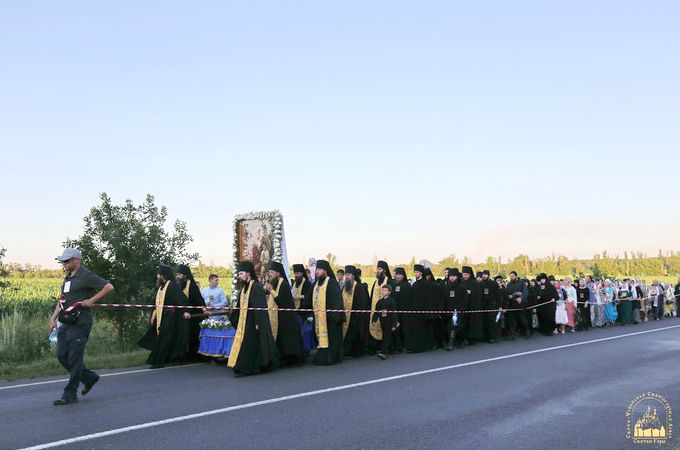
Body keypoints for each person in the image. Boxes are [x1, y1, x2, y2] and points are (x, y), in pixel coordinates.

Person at [50, 248, 114, 405]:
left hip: (80, 322)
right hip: (66, 322)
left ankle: (70, 394)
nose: (63, 264)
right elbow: (62, 300)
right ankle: (89, 377)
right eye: (62, 261)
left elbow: (108, 287)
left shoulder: (86, 275)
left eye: (66, 261)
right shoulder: (68, 278)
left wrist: (92, 300)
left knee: (74, 357)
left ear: (76, 260)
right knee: (62, 356)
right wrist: (53, 318)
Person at [228, 261, 279, 377]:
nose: (239, 276)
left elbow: (260, 306)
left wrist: (258, 322)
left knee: (249, 345)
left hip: (253, 321)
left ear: (248, 273)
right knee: (251, 345)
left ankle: (243, 368)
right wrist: (232, 316)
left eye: (241, 274)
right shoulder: (244, 288)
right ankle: (254, 366)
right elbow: (239, 305)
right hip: (244, 321)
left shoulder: (255, 286)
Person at [139, 264, 190, 370]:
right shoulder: (161, 286)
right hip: (161, 316)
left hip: (169, 317)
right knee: (160, 338)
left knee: (164, 339)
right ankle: (161, 359)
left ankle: (159, 362)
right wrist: (154, 314)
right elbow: (156, 302)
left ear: (164, 275)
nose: (157, 277)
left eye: (159, 275)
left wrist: (185, 311)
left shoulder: (171, 286)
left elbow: (182, 300)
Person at [301, 260, 346, 365]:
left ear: (325, 271)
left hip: (330, 318)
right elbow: (309, 298)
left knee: (331, 338)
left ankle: (332, 357)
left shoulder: (332, 282)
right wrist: (301, 309)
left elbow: (337, 300)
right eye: (317, 269)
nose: (317, 272)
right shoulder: (316, 284)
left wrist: (334, 315)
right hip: (318, 318)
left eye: (320, 269)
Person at [264, 261, 304, 366]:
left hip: (286, 318)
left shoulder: (284, 285)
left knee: (286, 340)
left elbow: (281, 301)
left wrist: (271, 290)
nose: (270, 274)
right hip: (277, 316)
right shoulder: (275, 283)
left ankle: (289, 359)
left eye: (272, 272)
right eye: (269, 272)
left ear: (278, 273)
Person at [176, 265, 207, 361]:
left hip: (193, 315)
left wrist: (204, 310)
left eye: (179, 274)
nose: (177, 276)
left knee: (193, 336)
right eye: (177, 274)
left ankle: (194, 356)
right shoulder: (180, 284)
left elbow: (199, 300)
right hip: (184, 314)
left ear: (185, 275)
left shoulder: (192, 285)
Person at [342, 265, 369, 357]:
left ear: (353, 276)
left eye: (348, 274)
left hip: (356, 317)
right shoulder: (344, 287)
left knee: (355, 335)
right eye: (346, 274)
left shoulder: (359, 287)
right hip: (346, 316)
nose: (347, 277)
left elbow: (362, 304)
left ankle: (356, 352)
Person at [368, 260, 394, 352]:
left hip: (387, 314)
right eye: (377, 269)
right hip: (376, 311)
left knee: (386, 332)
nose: (377, 271)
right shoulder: (375, 282)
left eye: (379, 269)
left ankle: (387, 350)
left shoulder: (390, 281)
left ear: (384, 270)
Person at [291, 263, 315, 353]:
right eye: (295, 274)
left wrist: (299, 297)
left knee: (306, 331)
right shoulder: (294, 283)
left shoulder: (307, 283)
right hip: (296, 311)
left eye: (298, 273)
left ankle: (307, 349)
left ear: (302, 273)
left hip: (304, 311)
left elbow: (308, 297)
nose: (296, 275)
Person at [372, 284, 398, 360]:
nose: (383, 292)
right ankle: (391, 351)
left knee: (386, 336)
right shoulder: (380, 301)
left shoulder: (391, 301)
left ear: (389, 292)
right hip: (382, 321)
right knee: (387, 336)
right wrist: (374, 320)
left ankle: (384, 352)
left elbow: (394, 313)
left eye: (385, 290)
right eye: (383, 290)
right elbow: (376, 311)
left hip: (389, 321)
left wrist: (394, 324)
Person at [460, 266, 484, 344]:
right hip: (463, 306)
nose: (465, 276)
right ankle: (463, 338)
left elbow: (479, 294)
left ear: (470, 274)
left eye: (466, 274)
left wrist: (471, 293)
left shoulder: (475, 283)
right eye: (463, 274)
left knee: (472, 323)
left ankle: (471, 338)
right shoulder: (461, 282)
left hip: (472, 306)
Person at [392, 267, 412, 353]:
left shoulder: (407, 285)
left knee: (405, 329)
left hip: (405, 311)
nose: (399, 276)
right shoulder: (394, 285)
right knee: (396, 329)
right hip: (395, 311)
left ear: (403, 276)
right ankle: (398, 346)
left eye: (400, 275)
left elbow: (410, 298)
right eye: (397, 274)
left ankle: (406, 345)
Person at [480, 270, 503, 343]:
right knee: (485, 322)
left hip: (492, 305)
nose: (484, 276)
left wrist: (499, 306)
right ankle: (485, 337)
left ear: (488, 276)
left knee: (491, 322)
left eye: (485, 275)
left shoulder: (494, 284)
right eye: (483, 275)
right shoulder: (480, 284)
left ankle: (492, 337)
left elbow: (498, 296)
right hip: (483, 305)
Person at [505, 271, 529, 339]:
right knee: (512, 320)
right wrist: (508, 296)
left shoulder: (522, 283)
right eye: (510, 276)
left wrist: (521, 298)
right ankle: (512, 334)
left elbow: (525, 292)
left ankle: (526, 332)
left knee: (522, 320)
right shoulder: (509, 284)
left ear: (516, 276)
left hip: (521, 304)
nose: (511, 277)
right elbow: (507, 293)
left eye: (512, 276)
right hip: (512, 304)